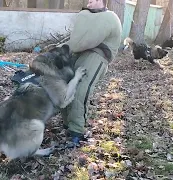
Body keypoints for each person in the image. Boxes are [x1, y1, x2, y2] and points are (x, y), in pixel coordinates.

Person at [60, 0, 123, 146]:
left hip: (97, 56)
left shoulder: (110, 18)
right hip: (78, 54)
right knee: (65, 86)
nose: (88, 4)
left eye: (91, 1)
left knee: (81, 90)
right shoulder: (87, 15)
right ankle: (68, 124)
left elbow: (86, 39)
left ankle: (76, 131)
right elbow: (76, 40)